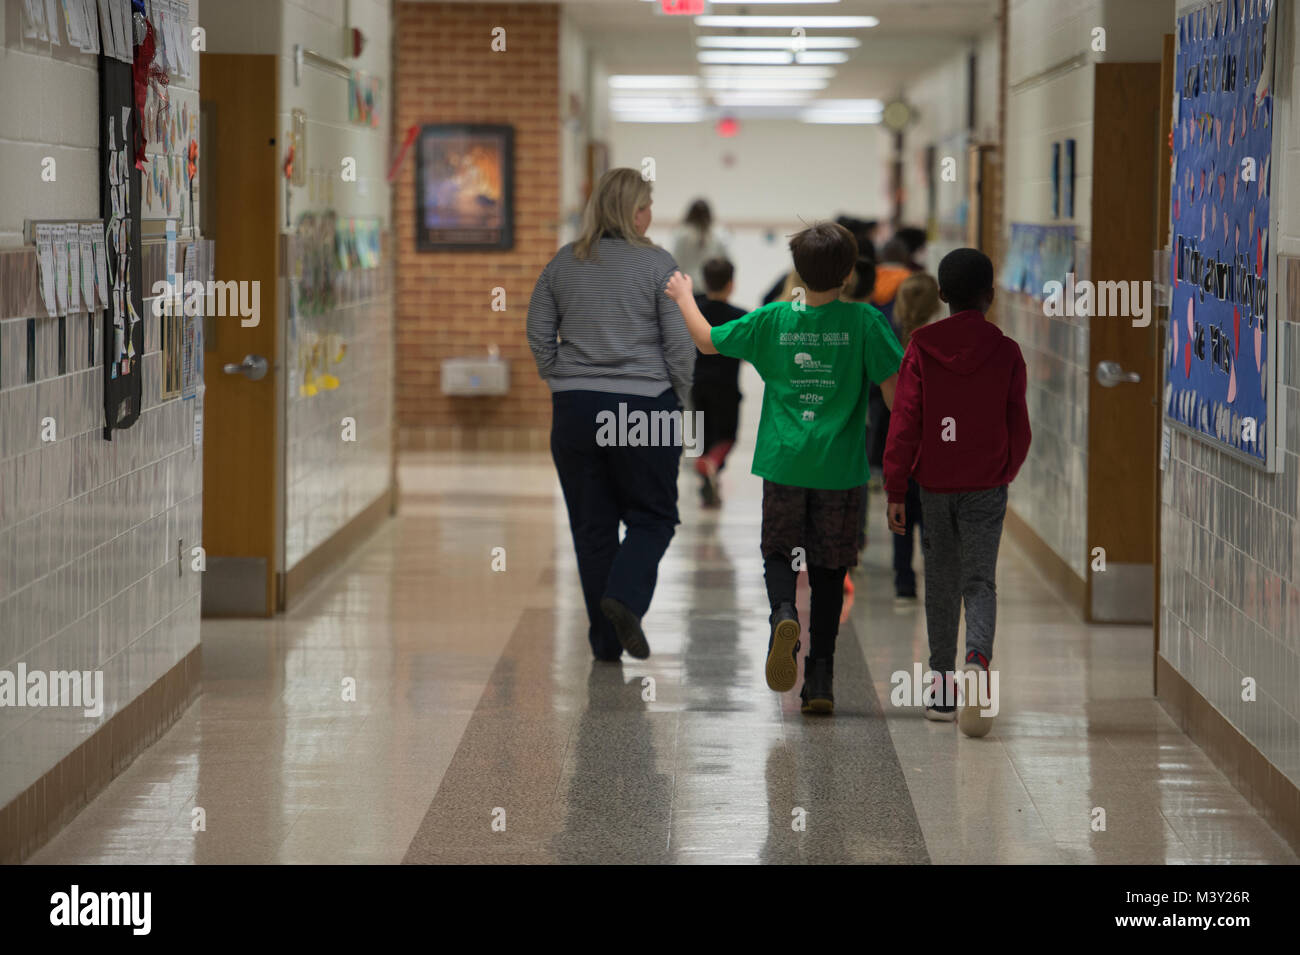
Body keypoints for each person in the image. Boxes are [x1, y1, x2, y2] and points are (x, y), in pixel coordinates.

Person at [667, 222, 902, 716]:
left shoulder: (775, 318)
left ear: (798, 270)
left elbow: (708, 341)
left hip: (785, 460)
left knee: (779, 548)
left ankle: (781, 614)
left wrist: (685, 295)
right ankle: (820, 678)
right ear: (847, 273)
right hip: (839, 467)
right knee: (830, 567)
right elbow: (895, 394)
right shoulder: (865, 323)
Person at [526, 167, 695, 663]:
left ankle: (605, 643)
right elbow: (680, 346)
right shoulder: (659, 265)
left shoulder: (563, 263)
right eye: (646, 205)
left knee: (592, 527)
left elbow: (538, 329)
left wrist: (561, 377)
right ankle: (624, 598)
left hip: (576, 410)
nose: (650, 214)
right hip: (644, 406)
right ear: (634, 212)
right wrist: (679, 400)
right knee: (654, 516)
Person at [882, 248, 1031, 737]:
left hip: (935, 483)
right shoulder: (1006, 351)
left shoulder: (921, 347)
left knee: (941, 583)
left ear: (941, 294)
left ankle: (943, 692)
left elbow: (905, 422)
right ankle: (977, 663)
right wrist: (1004, 468)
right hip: (986, 483)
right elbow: (1019, 425)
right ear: (990, 296)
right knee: (979, 582)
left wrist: (896, 486)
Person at [887, 271, 941, 600]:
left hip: (898, 448)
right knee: (932, 522)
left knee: (900, 520)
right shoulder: (939, 344)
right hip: (934, 452)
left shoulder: (891, 338)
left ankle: (903, 583)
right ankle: (934, 580)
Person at [691, 257, 746, 508]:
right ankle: (712, 464)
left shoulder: (693, 313)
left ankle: (706, 477)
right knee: (726, 437)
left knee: (701, 438)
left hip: (696, 387)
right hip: (726, 388)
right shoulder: (739, 318)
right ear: (731, 284)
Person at [672, 198, 729, 288]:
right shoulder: (718, 235)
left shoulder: (681, 234)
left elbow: (676, 262)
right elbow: (725, 261)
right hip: (711, 286)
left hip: (687, 285)